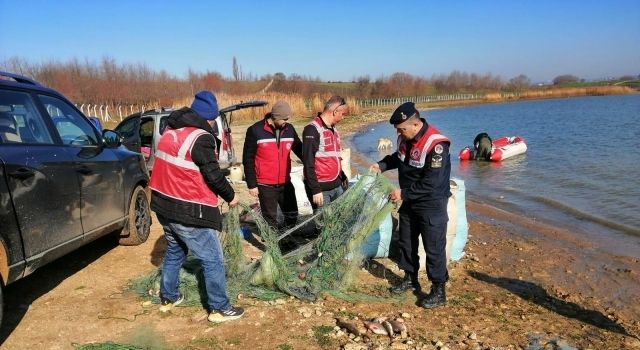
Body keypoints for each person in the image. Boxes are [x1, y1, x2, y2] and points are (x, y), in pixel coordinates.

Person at [149, 90, 244, 323]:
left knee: (175, 250)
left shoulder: (170, 132)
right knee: (213, 258)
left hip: (163, 205)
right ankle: (219, 308)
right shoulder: (201, 138)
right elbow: (213, 175)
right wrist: (231, 196)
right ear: (210, 117)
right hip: (187, 209)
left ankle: (168, 295)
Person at [370, 102, 451, 309]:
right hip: (410, 202)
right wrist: (382, 165)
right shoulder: (404, 139)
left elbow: (432, 182)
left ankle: (438, 289)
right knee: (406, 241)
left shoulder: (436, 144)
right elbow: (399, 158)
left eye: (401, 129)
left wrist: (403, 193)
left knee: (433, 247)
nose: (398, 132)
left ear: (414, 124)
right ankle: (410, 278)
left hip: (431, 203)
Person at [242, 100, 303, 229]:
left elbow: (300, 150)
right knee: (270, 220)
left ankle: (287, 241)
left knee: (292, 214)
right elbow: (248, 159)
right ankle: (272, 246)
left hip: (285, 183)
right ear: (275, 117)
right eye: (284, 118)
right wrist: (252, 184)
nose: (287, 121)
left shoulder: (289, 129)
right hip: (265, 185)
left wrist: (313, 161)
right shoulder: (254, 130)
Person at [302, 95, 349, 210]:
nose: (343, 118)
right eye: (342, 114)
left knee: (338, 219)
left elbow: (334, 156)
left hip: (337, 184)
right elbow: (308, 162)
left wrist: (342, 175)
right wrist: (315, 190)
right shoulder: (312, 130)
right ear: (335, 111)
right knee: (323, 223)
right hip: (321, 190)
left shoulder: (333, 129)